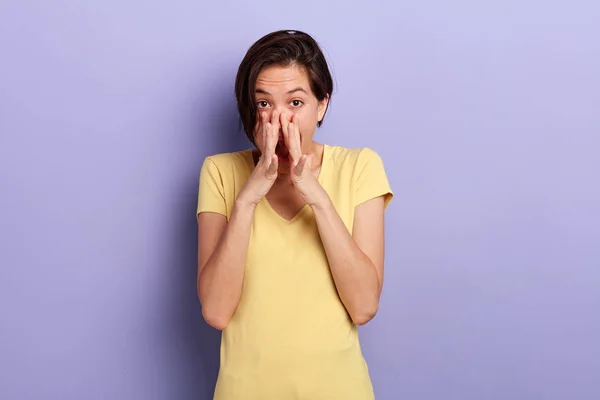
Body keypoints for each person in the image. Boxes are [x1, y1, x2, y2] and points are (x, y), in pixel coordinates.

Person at [196, 29, 393, 400]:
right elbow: (217, 312)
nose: (278, 120)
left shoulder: (360, 167)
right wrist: (248, 198)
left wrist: (315, 195)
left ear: (322, 106)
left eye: (296, 103)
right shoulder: (219, 172)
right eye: (264, 104)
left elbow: (364, 306)